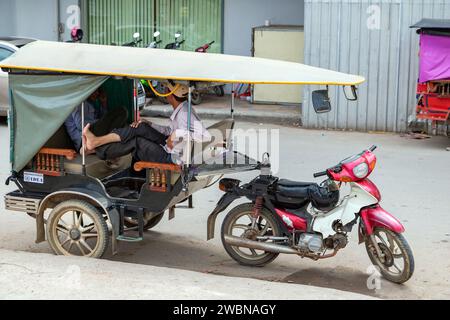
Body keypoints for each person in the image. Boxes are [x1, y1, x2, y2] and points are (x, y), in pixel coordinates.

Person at [83, 81, 211, 165]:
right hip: (169, 146)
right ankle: (96, 143)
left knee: (137, 141)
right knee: (141, 127)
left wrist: (175, 135)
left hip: (171, 157)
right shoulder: (183, 109)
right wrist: (149, 123)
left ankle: (96, 146)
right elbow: (168, 131)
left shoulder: (184, 113)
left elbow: (204, 136)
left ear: (170, 95)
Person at [64, 88, 127, 153]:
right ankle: (105, 143)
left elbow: (103, 120)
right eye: (95, 91)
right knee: (121, 111)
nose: (97, 94)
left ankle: (104, 144)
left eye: (98, 91)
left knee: (123, 125)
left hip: (93, 133)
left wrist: (103, 103)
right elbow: (81, 125)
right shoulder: (78, 102)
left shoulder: (91, 104)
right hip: (83, 139)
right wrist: (99, 121)